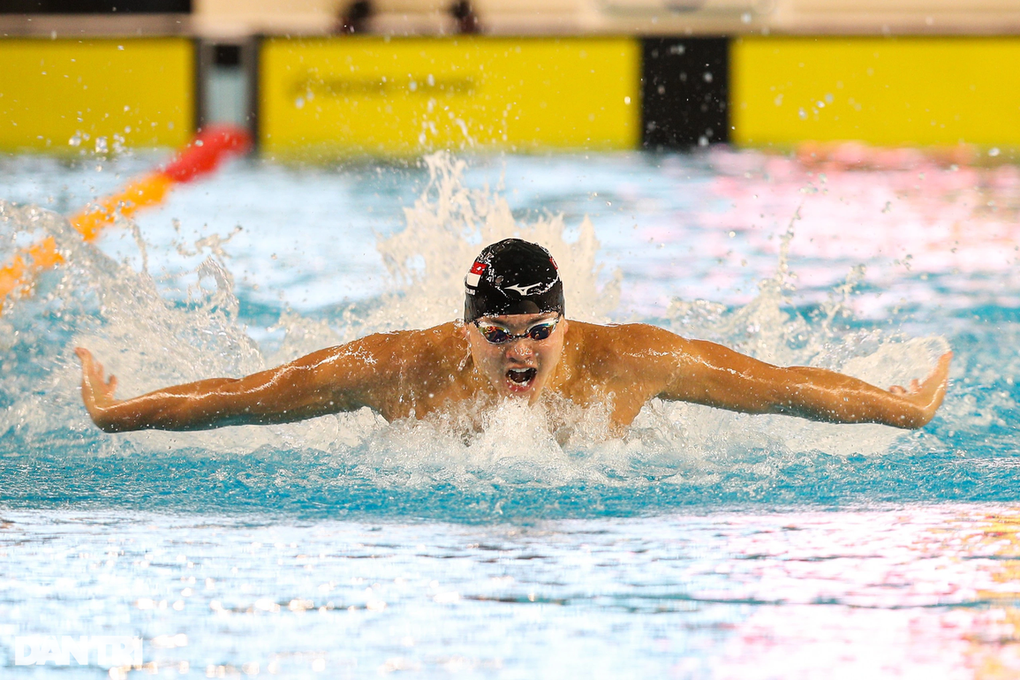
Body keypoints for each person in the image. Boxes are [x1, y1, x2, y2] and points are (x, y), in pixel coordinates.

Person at [76, 238, 951, 435]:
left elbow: (780, 386)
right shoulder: (395, 369)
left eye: (539, 330)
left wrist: (900, 410)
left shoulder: (631, 360)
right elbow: (246, 398)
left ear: (564, 323)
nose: (521, 351)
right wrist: (116, 412)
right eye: (498, 334)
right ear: (467, 332)